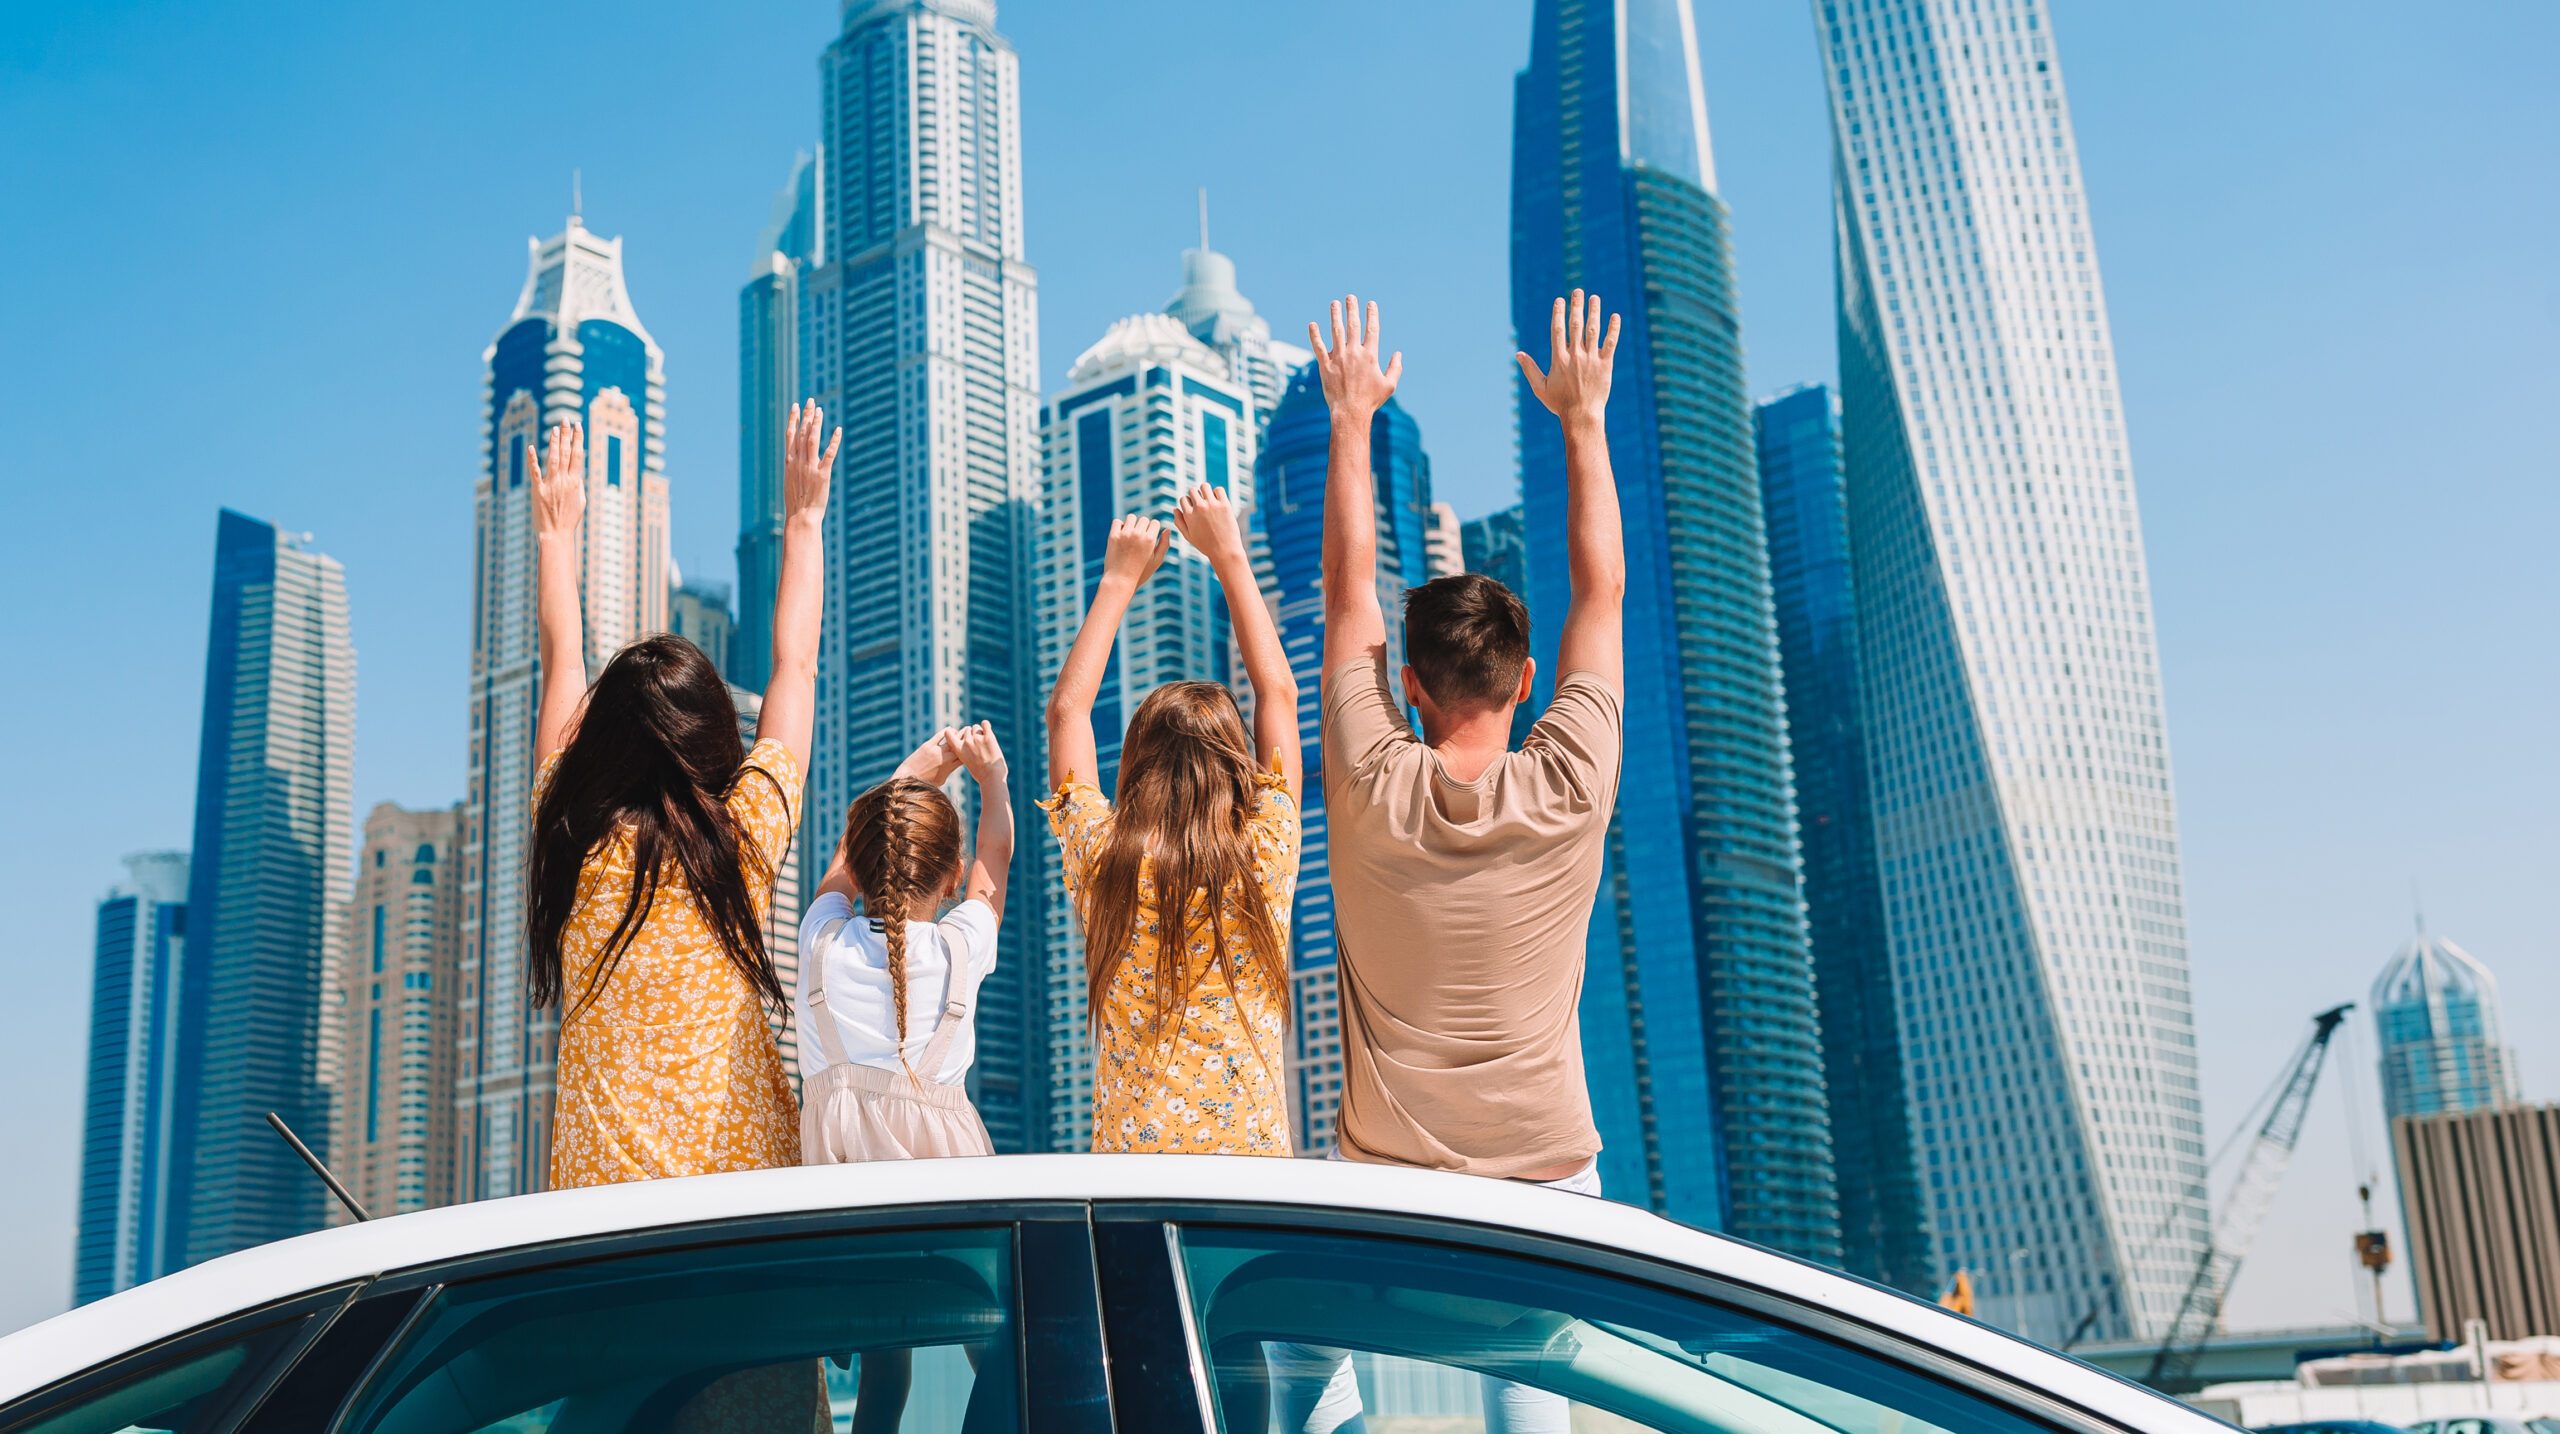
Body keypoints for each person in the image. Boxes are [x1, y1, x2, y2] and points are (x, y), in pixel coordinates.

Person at [1272, 293, 1626, 1433]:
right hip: (1548, 1188)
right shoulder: (1571, 779)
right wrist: (1582, 421)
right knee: (1532, 1409)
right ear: (1526, 682)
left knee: (1303, 1371)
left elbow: (1343, 600)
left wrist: (1349, 419)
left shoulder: (1373, 784)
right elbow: (1602, 593)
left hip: (1390, 1195)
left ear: (1409, 687)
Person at [523, 399, 837, 1428]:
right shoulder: (739, 843)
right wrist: (802, 522)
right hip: (747, 1276)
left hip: (598, 1285)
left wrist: (559, 544)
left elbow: (562, 676)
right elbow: (793, 668)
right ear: (715, 745)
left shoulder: (571, 846)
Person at [1040, 483, 1303, 1156]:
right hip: (1256, 1173)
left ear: (1134, 761)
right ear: (1235, 765)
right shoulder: (1266, 850)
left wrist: (1118, 579)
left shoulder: (1104, 858)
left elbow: (1068, 712)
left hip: (1133, 1177)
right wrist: (1230, 557)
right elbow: (1277, 691)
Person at [798, 721, 1011, 1434]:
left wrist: (915, 771)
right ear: (948, 878)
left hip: (846, 1213)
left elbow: (840, 867)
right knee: (1000, 1359)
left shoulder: (821, 946)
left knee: (886, 1377)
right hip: (951, 1201)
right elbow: (996, 859)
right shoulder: (958, 950)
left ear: (860, 871)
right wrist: (991, 782)